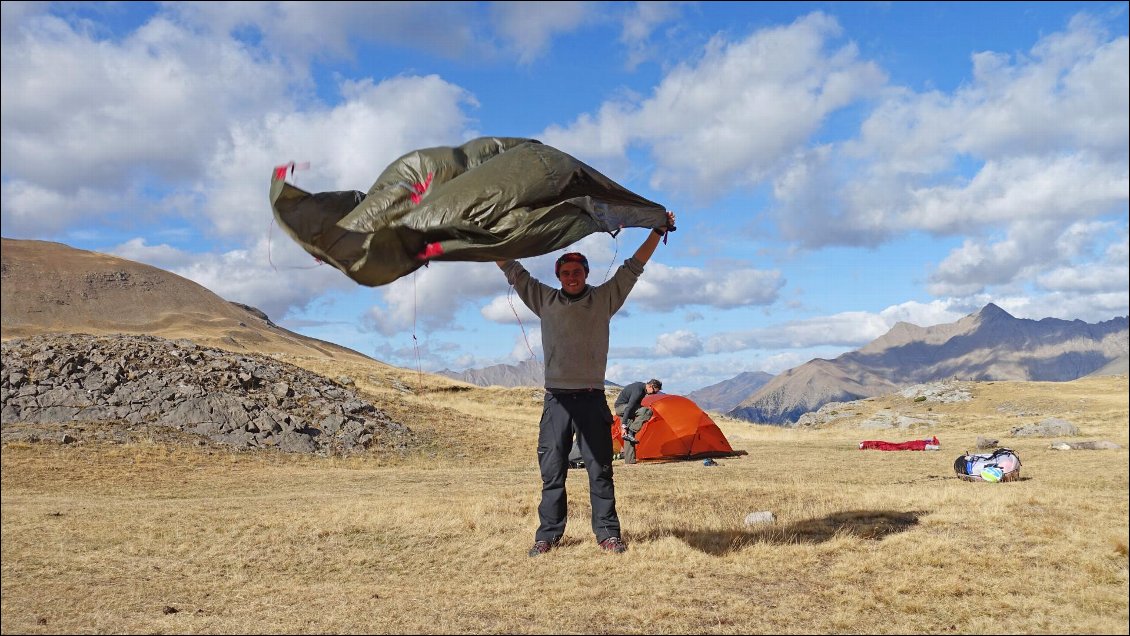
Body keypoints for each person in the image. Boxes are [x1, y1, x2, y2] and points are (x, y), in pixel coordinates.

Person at [497, 211, 676, 557]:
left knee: (600, 471)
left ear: (586, 274)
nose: (572, 277)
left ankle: (608, 534)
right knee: (552, 471)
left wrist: (657, 230)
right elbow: (513, 271)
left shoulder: (603, 299)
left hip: (592, 398)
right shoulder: (544, 299)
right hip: (557, 402)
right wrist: (485, 242)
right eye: (565, 273)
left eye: (577, 272)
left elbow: (633, 268)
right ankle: (547, 535)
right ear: (558, 276)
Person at [614, 379, 662, 464]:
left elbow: (636, 405)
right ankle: (632, 431)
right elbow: (629, 407)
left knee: (627, 435)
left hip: (626, 409)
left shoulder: (643, 390)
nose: (654, 393)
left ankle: (630, 462)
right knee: (647, 411)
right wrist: (623, 425)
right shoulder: (638, 390)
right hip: (622, 408)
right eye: (654, 391)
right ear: (651, 386)